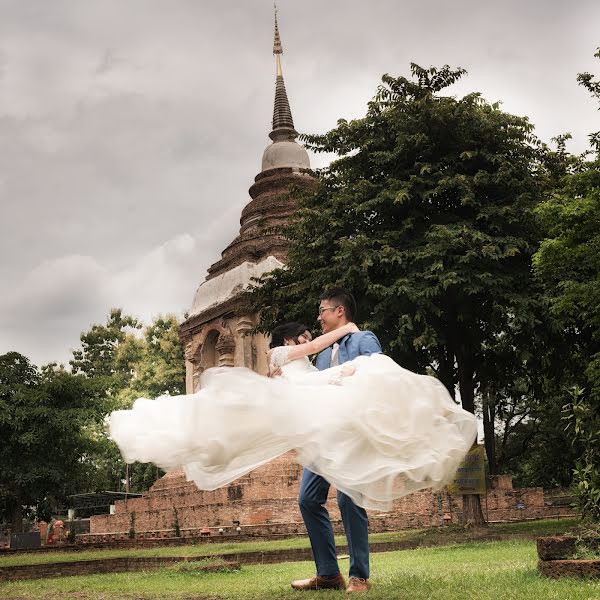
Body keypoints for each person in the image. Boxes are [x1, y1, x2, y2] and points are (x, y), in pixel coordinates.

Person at [109, 291, 477, 593]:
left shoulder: (362, 339)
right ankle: (328, 573)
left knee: (351, 500)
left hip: (351, 434)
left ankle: (359, 575)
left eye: (322, 312)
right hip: (323, 438)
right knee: (307, 499)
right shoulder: (316, 358)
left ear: (339, 311)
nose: (318, 318)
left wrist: (351, 374)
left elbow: (377, 374)